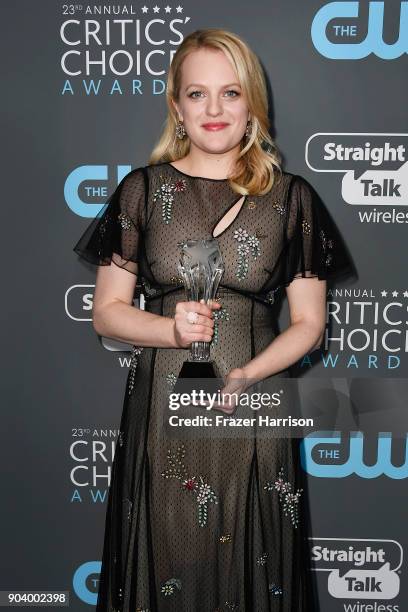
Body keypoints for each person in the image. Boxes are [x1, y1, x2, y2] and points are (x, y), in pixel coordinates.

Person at [73, 28, 354, 612]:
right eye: (197, 94)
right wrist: (171, 329)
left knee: (256, 565)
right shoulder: (142, 191)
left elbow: (308, 323)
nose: (214, 109)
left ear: (252, 102)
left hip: (253, 407)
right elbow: (106, 313)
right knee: (167, 561)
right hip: (166, 412)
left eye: (230, 93)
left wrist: (250, 375)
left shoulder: (292, 198)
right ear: (176, 107)